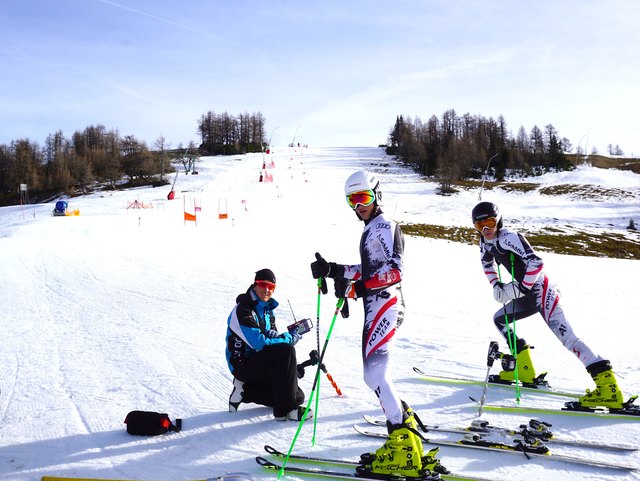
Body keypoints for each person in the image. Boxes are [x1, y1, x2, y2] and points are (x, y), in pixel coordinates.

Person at [310, 171, 445, 477]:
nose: (359, 206)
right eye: (352, 200)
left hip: (385, 304)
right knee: (375, 375)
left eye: (364, 198)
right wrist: (334, 270)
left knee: (375, 375)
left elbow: (394, 272)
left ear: (376, 195)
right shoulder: (373, 228)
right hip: (377, 306)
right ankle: (404, 431)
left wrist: (356, 289)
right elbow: (368, 268)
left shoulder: (385, 226)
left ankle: (402, 444)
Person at [472, 201, 625, 409]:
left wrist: (522, 287)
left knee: (568, 339)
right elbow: (487, 264)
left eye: (490, 222)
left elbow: (536, 262)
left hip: (542, 293)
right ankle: (524, 370)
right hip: (524, 294)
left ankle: (609, 390)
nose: (486, 229)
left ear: (498, 220)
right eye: (480, 226)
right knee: (500, 320)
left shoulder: (510, 237)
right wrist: (497, 285)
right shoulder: (485, 242)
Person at [225, 268, 312, 421]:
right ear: (255, 285)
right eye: (263, 285)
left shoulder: (267, 311)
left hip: (259, 363)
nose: (266, 290)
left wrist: (291, 369)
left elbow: (272, 343)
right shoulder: (243, 310)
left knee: (297, 396)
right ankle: (284, 412)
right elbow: (260, 344)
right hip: (242, 364)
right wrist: (288, 338)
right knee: (286, 350)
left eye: (271, 287)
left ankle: (246, 390)